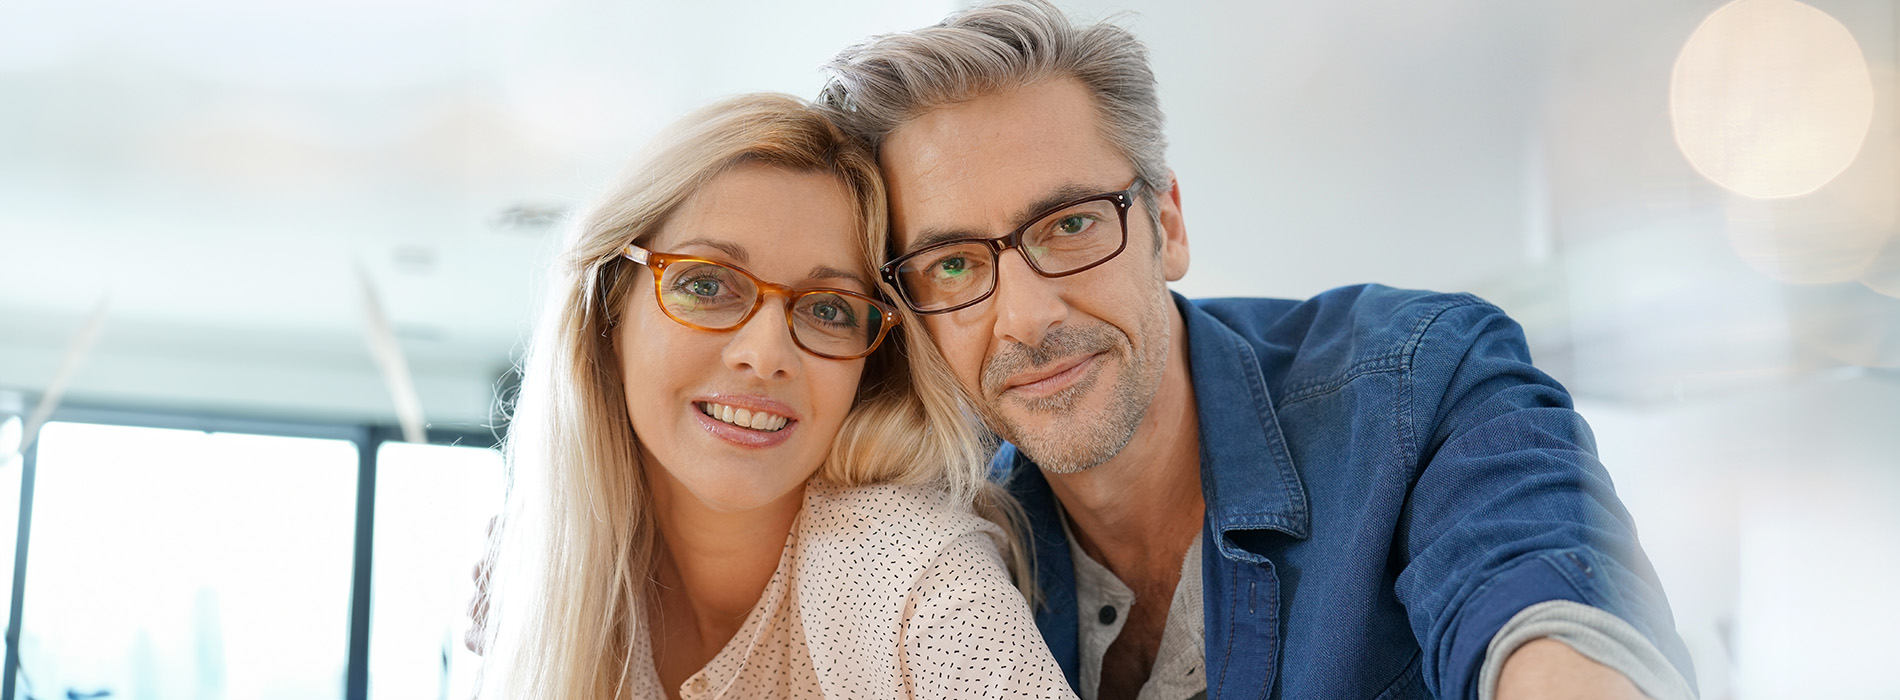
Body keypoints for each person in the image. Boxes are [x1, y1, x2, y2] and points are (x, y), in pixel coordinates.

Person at [816, 2, 1699, 699]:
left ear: (1168, 221)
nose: (1024, 318)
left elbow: (1540, 605)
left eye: (1071, 224)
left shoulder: (1419, 384)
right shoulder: (934, 542)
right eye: (956, 263)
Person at [473, 93, 1074, 700]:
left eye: (829, 309)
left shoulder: (916, 575)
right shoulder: (544, 581)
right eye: (706, 283)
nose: (764, 356)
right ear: (609, 307)